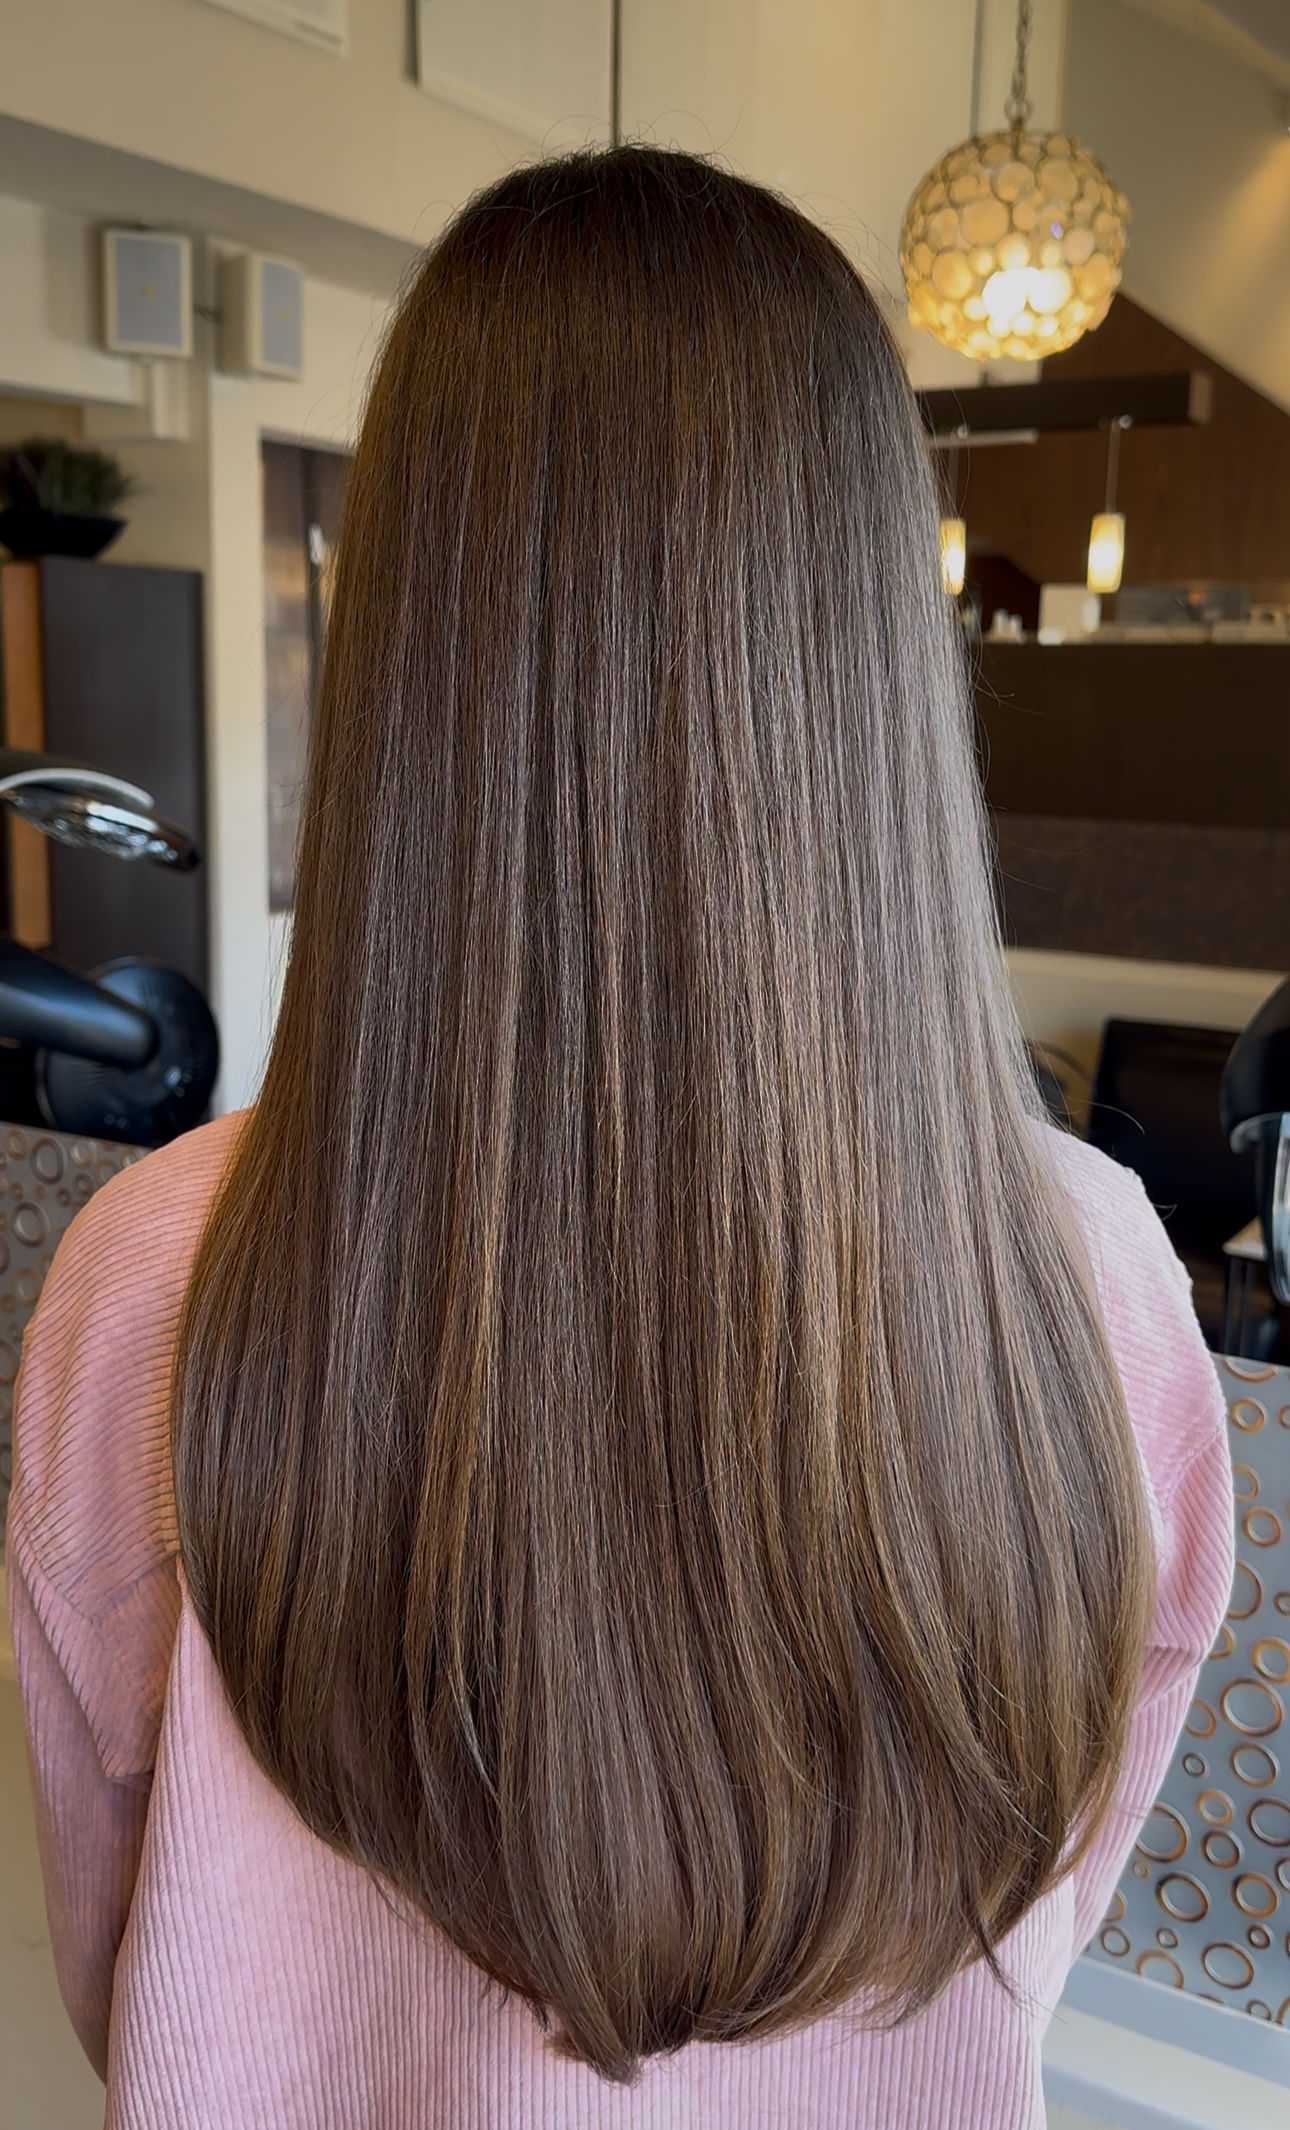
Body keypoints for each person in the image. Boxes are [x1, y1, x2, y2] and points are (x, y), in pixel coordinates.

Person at [8, 147, 1232, 2130]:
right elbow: (1055, 1885)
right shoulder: (1091, 1276)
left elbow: (116, 1944)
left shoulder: (152, 1279)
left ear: (411, 640)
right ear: (868, 655)